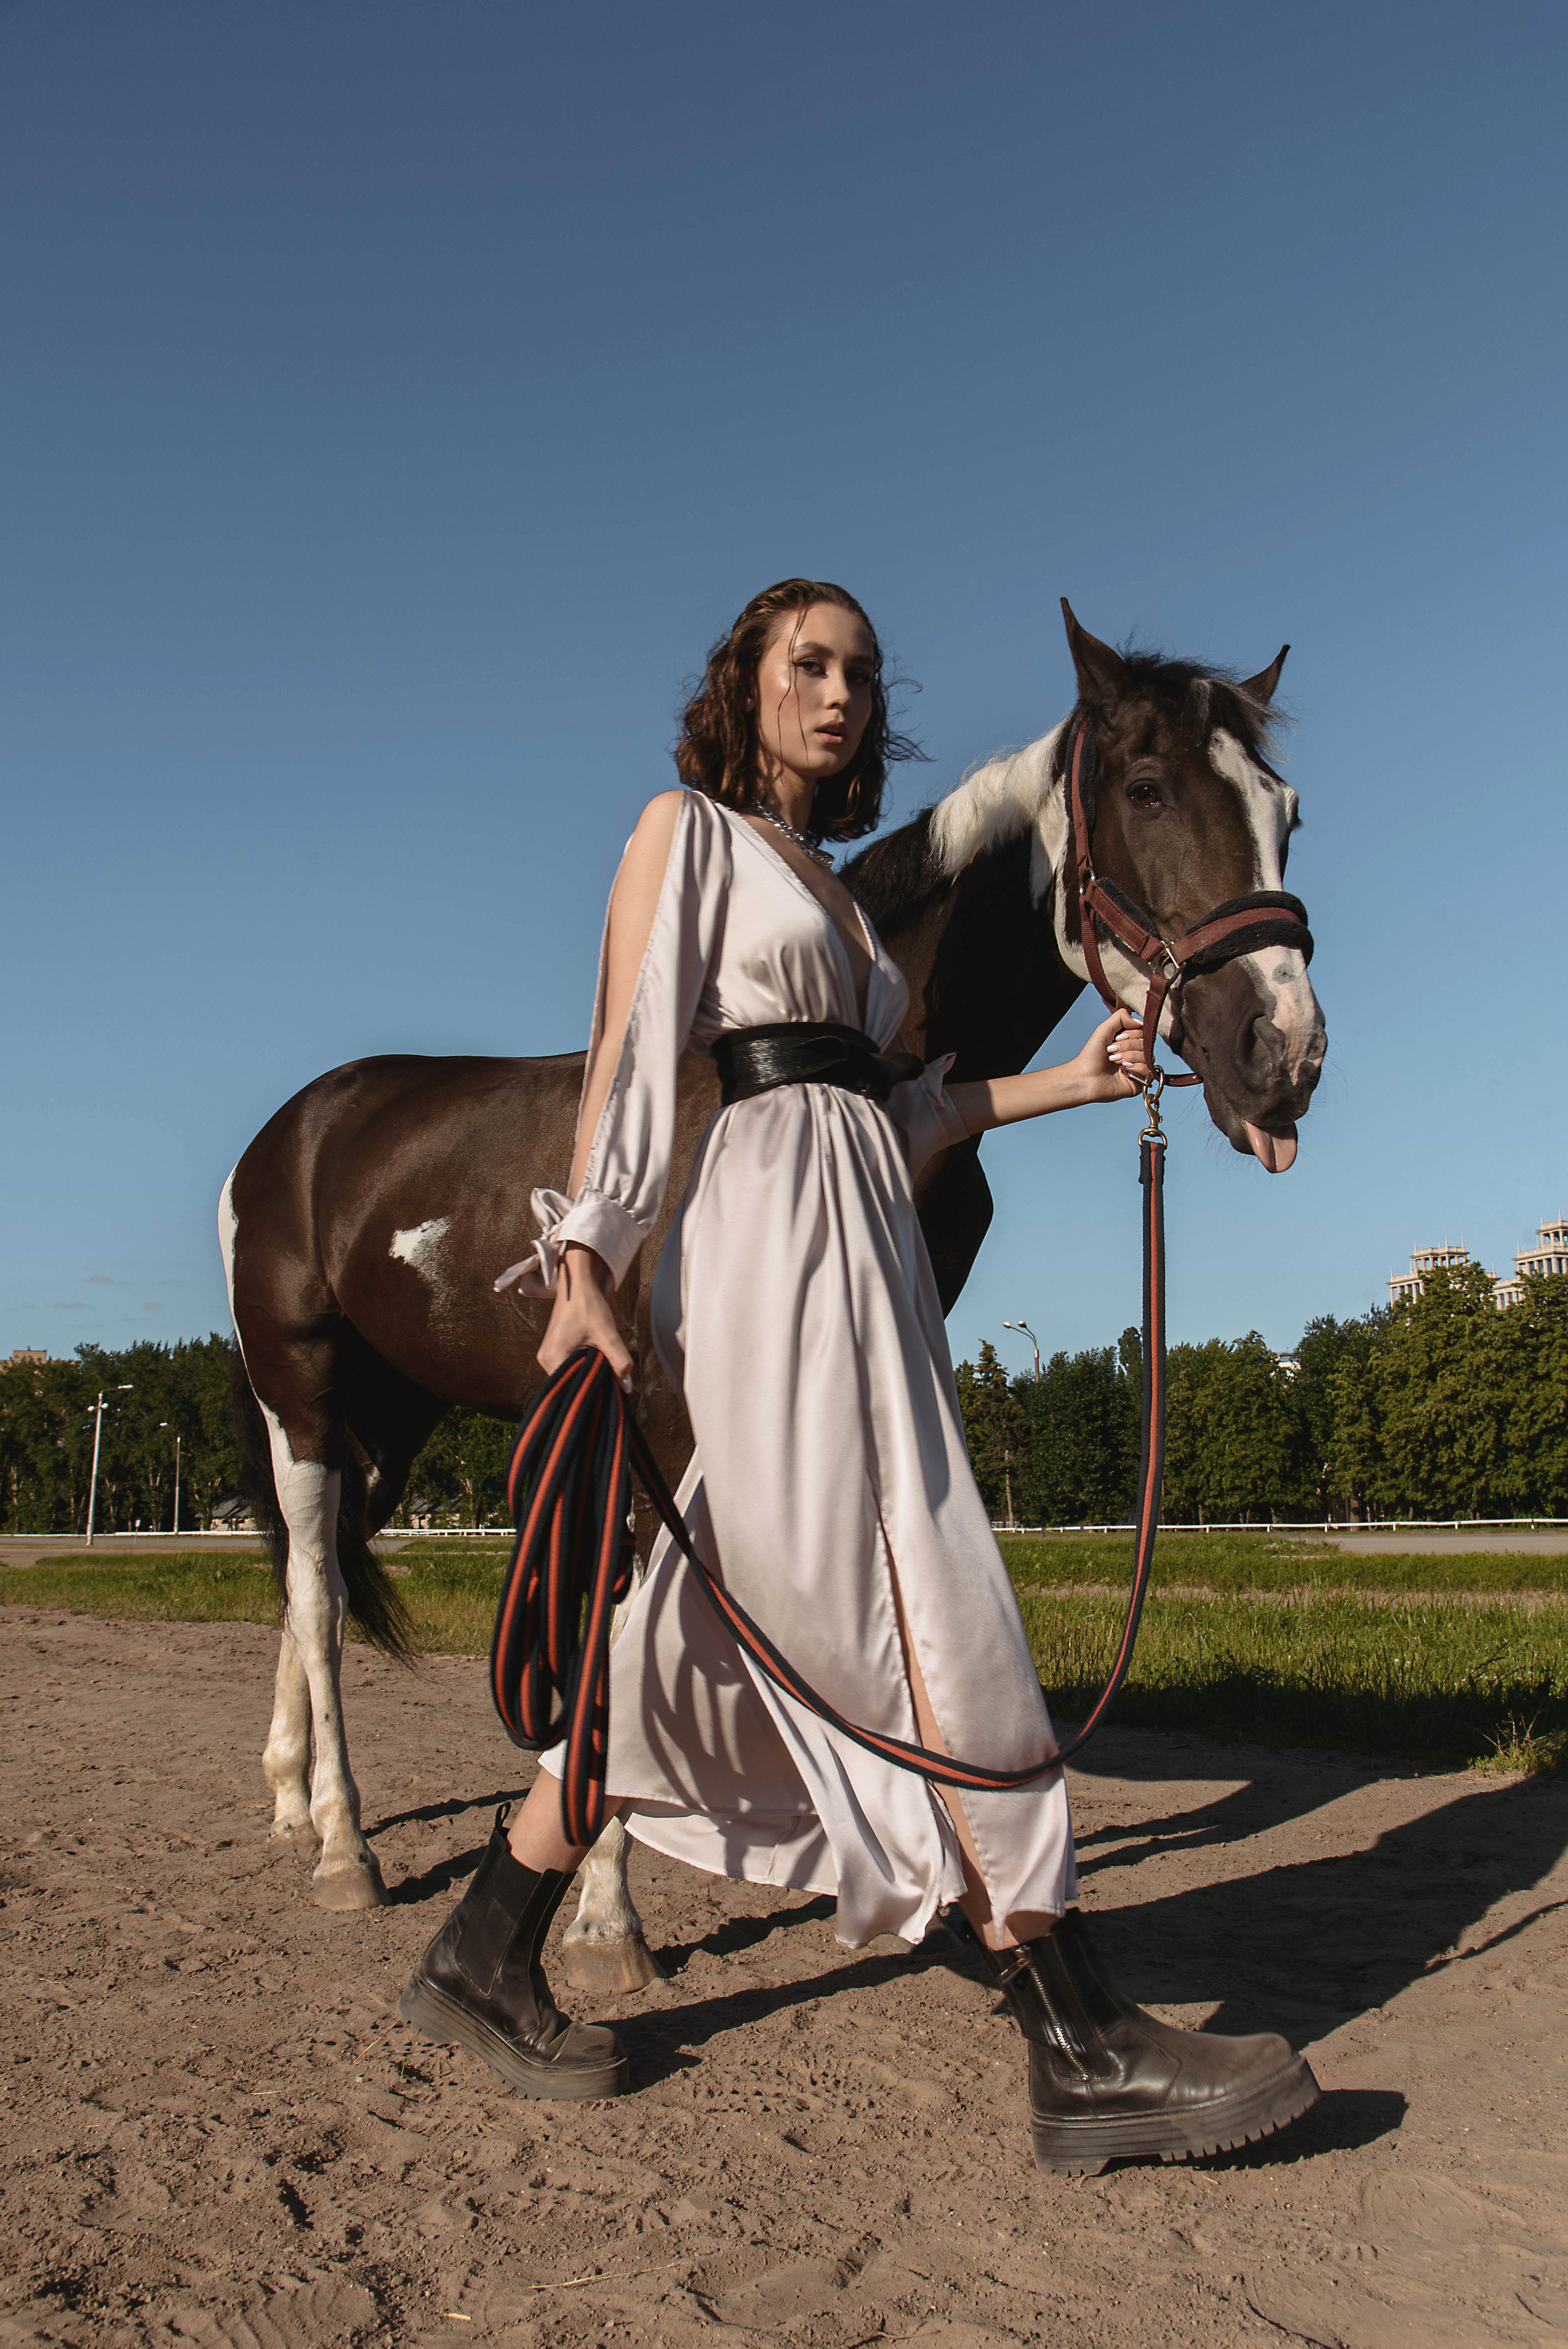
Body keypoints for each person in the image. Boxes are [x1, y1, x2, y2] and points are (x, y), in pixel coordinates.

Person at [400, 578, 1317, 2172]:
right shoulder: (682, 836)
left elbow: (893, 1122)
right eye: (805, 663)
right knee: (932, 1597)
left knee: (698, 1620)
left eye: (859, 673)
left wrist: (1065, 1084)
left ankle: (486, 1941)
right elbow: (630, 1060)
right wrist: (586, 1255)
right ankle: (1080, 2030)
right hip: (763, 1247)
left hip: (861, 1241)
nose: (837, 692)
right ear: (745, 685)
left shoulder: (827, 903)